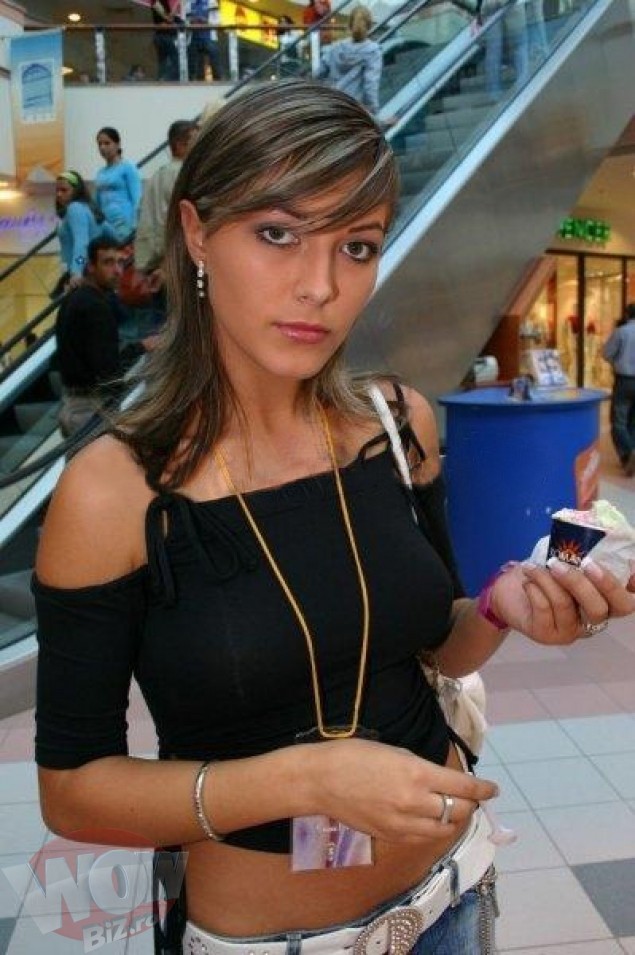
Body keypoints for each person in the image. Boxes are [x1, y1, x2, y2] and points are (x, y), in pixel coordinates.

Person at [35, 81, 635, 955]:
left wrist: (502, 605)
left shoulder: (396, 425)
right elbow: (73, 791)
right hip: (271, 939)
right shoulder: (114, 490)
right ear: (197, 232)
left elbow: (435, 647)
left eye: (356, 246)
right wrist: (305, 778)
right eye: (277, 234)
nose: (319, 286)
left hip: (452, 896)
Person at [54, 236, 128, 438]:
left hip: (72, 404)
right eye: (108, 262)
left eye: (120, 262)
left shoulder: (73, 298)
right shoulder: (95, 307)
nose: (117, 270)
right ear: (91, 266)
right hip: (91, 409)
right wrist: (140, 348)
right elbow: (107, 367)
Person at [134, 119, 199, 326]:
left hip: (154, 266)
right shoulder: (184, 176)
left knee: (160, 329)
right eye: (195, 140)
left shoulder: (155, 177)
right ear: (180, 145)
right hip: (176, 266)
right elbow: (180, 224)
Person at [318, 6, 382, 115]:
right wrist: (374, 111)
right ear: (369, 25)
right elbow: (370, 85)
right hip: (353, 109)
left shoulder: (335, 47)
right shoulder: (372, 51)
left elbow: (318, 73)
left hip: (331, 104)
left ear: (349, 24)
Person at [54, 170, 102, 292]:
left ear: (76, 191)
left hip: (78, 274)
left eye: (64, 190)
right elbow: (109, 232)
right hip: (81, 270)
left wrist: (77, 270)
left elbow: (82, 243)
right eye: (57, 190)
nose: (59, 194)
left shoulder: (75, 209)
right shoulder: (87, 208)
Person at [94, 126, 143, 244]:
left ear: (117, 144)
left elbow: (137, 199)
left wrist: (135, 226)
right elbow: (97, 204)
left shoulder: (128, 167)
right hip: (106, 224)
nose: (102, 147)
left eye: (107, 143)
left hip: (125, 223)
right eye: (100, 144)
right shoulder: (100, 173)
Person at [602, 302, 635, 476]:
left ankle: (629, 451)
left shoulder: (621, 332)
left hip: (624, 380)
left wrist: (617, 362)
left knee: (618, 421)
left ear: (628, 314)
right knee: (633, 421)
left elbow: (606, 353)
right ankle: (627, 459)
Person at [186, 0, 225, 80]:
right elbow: (185, 21)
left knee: (215, 62)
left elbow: (218, 21)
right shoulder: (189, 3)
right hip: (194, 38)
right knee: (193, 65)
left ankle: (218, 82)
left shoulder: (212, 2)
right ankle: (195, 82)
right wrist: (191, 22)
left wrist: (206, 21)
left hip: (209, 37)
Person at [151, 0, 180, 81]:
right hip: (162, 36)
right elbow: (168, 19)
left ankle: (162, 78)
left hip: (165, 35)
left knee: (164, 60)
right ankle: (165, 79)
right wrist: (173, 12)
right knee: (172, 60)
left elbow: (171, 18)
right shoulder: (156, 3)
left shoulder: (165, 2)